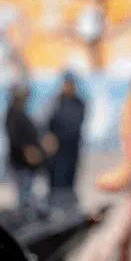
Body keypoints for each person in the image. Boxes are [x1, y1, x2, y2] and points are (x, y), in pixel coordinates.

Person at [5, 83, 48, 218]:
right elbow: (16, 138)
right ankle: (25, 220)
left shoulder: (20, 112)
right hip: (21, 163)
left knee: (30, 192)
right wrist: (27, 150)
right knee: (25, 194)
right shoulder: (13, 114)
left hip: (27, 163)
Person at [47, 71, 86, 204]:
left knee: (70, 178)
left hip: (72, 147)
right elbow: (46, 123)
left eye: (71, 84)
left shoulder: (80, 103)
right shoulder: (55, 102)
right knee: (57, 181)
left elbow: (76, 124)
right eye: (67, 84)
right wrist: (49, 137)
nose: (69, 87)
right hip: (57, 149)